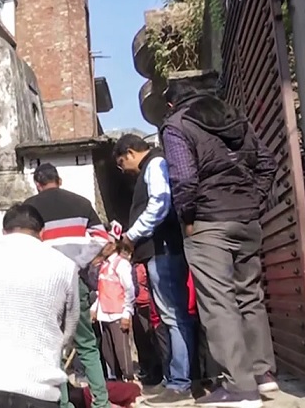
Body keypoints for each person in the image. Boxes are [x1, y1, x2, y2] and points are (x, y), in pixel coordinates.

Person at [160, 83, 278, 407]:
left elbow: (184, 178)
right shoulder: (234, 118)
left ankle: (240, 389)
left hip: (209, 222)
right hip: (247, 221)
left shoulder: (177, 124)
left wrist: (188, 218)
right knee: (250, 296)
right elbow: (267, 163)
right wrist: (253, 202)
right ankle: (263, 376)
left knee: (218, 302)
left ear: (171, 104)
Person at [0, 203, 79, 408]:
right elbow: (69, 326)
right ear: (42, 232)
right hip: (37, 390)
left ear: (3, 232)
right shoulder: (65, 266)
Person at [112, 133, 195, 405]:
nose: (122, 169)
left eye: (121, 162)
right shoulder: (151, 167)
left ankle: (181, 383)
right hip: (158, 251)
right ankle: (174, 379)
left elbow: (160, 203)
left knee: (174, 316)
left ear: (129, 153)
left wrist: (132, 235)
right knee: (169, 316)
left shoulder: (155, 164)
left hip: (164, 249)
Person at [23, 163, 111, 408]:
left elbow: (23, 245)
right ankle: (101, 403)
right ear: (59, 180)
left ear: (37, 184)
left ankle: (62, 403)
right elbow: (103, 239)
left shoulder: (29, 208)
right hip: (75, 280)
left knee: (53, 348)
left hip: (45, 284)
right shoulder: (82, 203)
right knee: (87, 345)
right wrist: (81, 260)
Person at [90, 242, 135, 382]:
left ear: (114, 246)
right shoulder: (104, 265)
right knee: (108, 350)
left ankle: (129, 380)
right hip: (104, 313)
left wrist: (126, 313)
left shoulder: (121, 264)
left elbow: (129, 289)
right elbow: (101, 290)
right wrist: (94, 309)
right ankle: (117, 380)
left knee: (121, 350)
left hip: (118, 313)